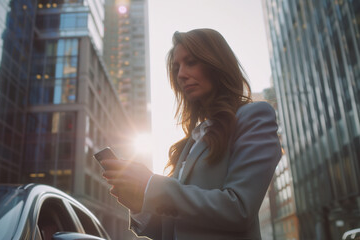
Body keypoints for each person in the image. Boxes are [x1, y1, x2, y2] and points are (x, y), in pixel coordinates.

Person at [101, 28, 281, 240]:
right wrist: (140, 203)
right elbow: (173, 231)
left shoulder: (254, 116)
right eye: (177, 67)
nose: (181, 74)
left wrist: (151, 185)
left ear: (216, 63)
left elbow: (239, 209)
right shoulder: (190, 143)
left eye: (191, 62)